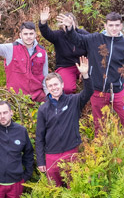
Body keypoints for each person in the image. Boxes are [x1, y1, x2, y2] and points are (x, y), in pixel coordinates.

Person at [57, 11, 124, 134]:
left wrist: (117, 76)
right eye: (110, 25)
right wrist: (70, 28)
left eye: (116, 25)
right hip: (97, 89)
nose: (114, 28)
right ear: (105, 26)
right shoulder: (94, 39)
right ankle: (100, 145)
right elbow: (77, 39)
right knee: (99, 123)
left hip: (117, 90)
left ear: (121, 26)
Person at [36, 57, 92, 186]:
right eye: (50, 85)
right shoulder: (43, 109)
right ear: (47, 88)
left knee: (73, 188)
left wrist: (85, 75)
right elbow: (39, 137)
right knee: (55, 192)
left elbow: (88, 92)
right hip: (51, 155)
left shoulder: (73, 101)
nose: (54, 87)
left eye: (56, 84)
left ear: (62, 85)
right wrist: (40, 161)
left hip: (71, 151)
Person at [0, 15, 48, 102]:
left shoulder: (42, 52)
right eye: (25, 34)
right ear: (20, 35)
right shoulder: (11, 48)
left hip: (37, 96)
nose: (28, 37)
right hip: (16, 98)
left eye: (31, 34)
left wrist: (49, 95)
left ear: (35, 35)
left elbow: (45, 77)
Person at [39, 8, 88, 94]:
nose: (68, 26)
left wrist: (85, 70)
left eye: (69, 23)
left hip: (83, 65)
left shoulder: (83, 35)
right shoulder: (58, 36)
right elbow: (47, 33)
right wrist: (43, 22)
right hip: (66, 67)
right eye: (65, 24)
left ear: (75, 23)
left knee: (95, 82)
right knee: (67, 88)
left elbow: (93, 48)